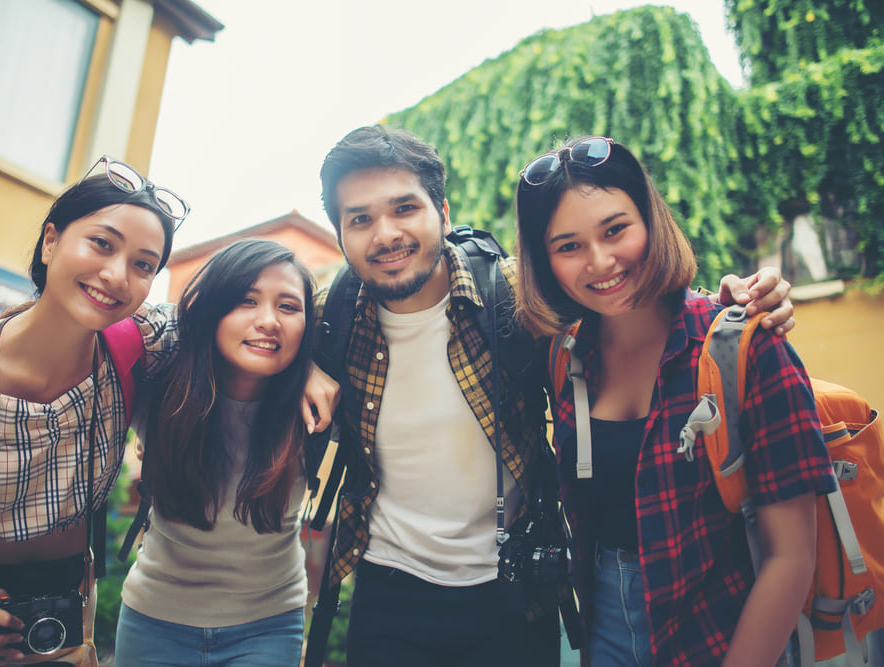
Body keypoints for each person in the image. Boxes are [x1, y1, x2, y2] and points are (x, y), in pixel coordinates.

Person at [304, 124, 796, 666]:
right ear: (340, 236)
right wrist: (298, 367)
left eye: (404, 209)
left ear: (442, 213)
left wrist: (737, 301)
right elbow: (248, 347)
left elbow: (631, 302)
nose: (386, 234)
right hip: (388, 596)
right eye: (360, 219)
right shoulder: (327, 319)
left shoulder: (515, 299)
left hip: (514, 591)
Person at [512, 136, 837, 666]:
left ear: (650, 220)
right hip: (602, 629)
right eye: (567, 245)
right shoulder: (561, 357)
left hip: (724, 631)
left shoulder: (747, 348)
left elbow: (791, 556)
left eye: (615, 229)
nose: (600, 261)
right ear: (544, 260)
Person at [0, 156, 185, 666]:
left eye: (143, 264)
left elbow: (239, 316)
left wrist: (312, 366)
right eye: (102, 243)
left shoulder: (139, 350)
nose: (116, 275)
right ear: (50, 242)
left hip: (61, 624)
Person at [112, 238, 316, 666]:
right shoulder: (160, 384)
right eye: (246, 300)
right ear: (213, 310)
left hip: (269, 624)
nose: (268, 321)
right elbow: (70, 333)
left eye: (288, 307)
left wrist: (317, 370)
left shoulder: (316, 408)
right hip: (154, 618)